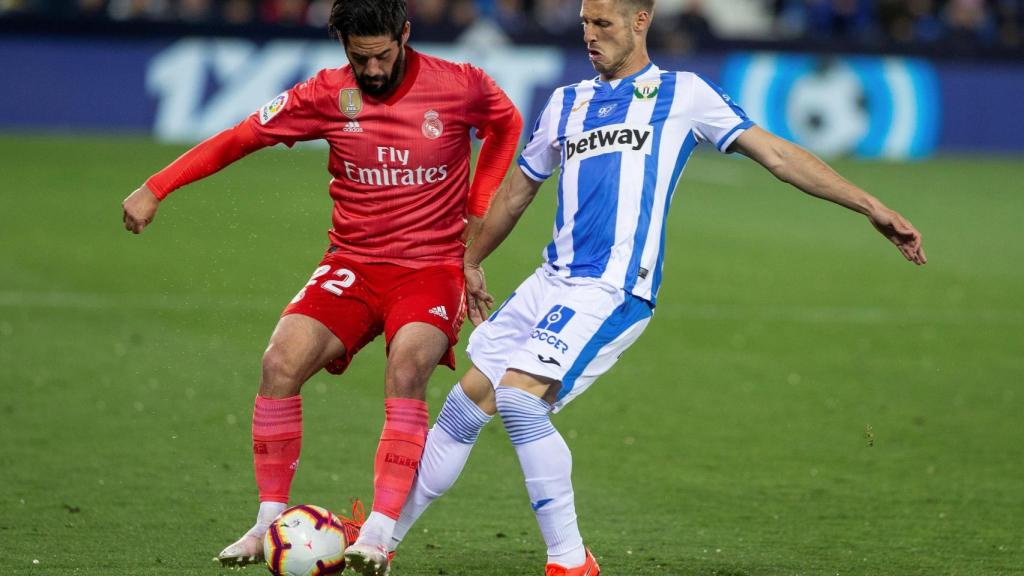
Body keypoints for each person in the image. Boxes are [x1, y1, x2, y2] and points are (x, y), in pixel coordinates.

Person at [386, 0, 927, 574]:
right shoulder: (566, 102)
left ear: (641, 21)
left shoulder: (684, 93)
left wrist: (869, 204)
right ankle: (381, 541)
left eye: (604, 25)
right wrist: (468, 260)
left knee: (520, 401)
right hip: (550, 282)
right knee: (461, 409)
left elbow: (777, 154)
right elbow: (517, 194)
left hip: (613, 288)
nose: (591, 38)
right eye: (585, 26)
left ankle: (570, 562)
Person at [120, 1, 523, 574]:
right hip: (353, 264)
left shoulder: (460, 86)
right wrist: (157, 187)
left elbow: (506, 124)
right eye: (361, 58)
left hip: (430, 268)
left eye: (383, 54)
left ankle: (379, 534)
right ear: (342, 45)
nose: (374, 70)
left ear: (405, 35)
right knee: (279, 362)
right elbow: (241, 138)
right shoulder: (324, 95)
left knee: (407, 369)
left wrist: (475, 222)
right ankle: (266, 523)